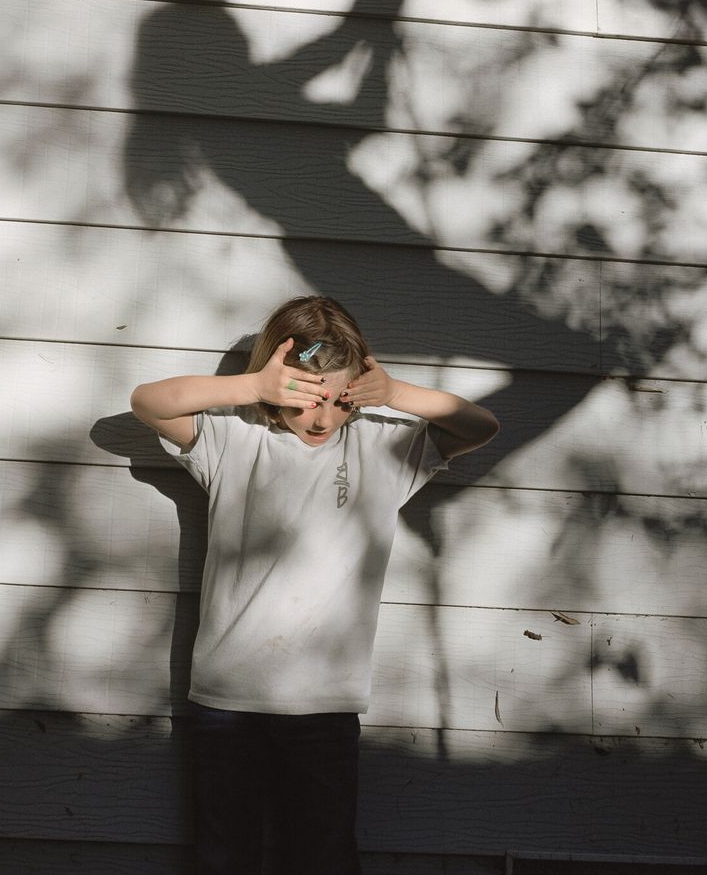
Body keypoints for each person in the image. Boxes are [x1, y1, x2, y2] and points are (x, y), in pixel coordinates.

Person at [130, 295, 499, 874]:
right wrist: (251, 388)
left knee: (324, 856)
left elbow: (481, 425)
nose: (320, 418)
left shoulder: (382, 446)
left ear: (358, 387)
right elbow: (147, 402)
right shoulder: (234, 439)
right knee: (223, 858)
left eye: (336, 400)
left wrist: (395, 394)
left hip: (326, 704)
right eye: (302, 399)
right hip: (228, 698)